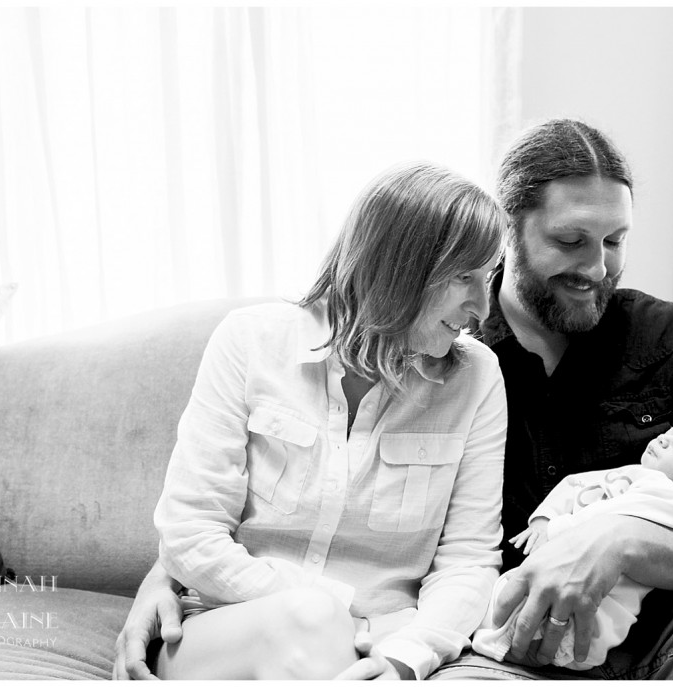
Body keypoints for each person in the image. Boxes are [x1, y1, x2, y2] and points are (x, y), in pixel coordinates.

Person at [114, 119, 673, 680]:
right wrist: (172, 573)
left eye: (615, 240)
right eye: (571, 240)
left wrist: (620, 544)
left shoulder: (670, 339)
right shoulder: (449, 351)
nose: (599, 266)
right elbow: (256, 500)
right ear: (510, 233)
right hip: (517, 644)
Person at [145, 161, 509, 680]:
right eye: (463, 277)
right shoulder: (250, 342)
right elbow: (189, 533)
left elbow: (469, 560)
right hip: (229, 628)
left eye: (489, 276)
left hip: (380, 648)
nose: (482, 307)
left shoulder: (477, 378)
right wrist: (341, 616)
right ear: (399, 267)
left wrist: (407, 657)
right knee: (310, 618)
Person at [472, 418, 673, 670]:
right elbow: (575, 485)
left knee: (548, 625)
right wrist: (544, 520)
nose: (664, 438)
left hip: (606, 602)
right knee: (501, 606)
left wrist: (557, 528)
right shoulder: (636, 476)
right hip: (553, 573)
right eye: (670, 432)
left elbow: (603, 520)